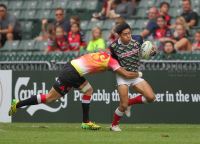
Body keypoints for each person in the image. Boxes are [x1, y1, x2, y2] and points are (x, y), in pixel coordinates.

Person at [9, 51, 143, 130]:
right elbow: (124, 74)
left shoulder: (105, 56)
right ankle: (18, 104)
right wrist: (138, 74)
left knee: (88, 90)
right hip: (71, 73)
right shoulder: (113, 62)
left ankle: (86, 122)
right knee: (50, 98)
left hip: (73, 69)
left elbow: (113, 70)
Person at [110, 23, 156, 131]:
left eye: (129, 33)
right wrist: (119, 72)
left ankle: (130, 102)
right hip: (122, 76)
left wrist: (153, 52)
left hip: (135, 75)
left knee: (151, 97)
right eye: (125, 34)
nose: (128, 36)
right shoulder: (114, 46)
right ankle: (114, 125)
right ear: (119, 36)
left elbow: (147, 51)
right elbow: (112, 63)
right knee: (123, 106)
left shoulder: (138, 39)